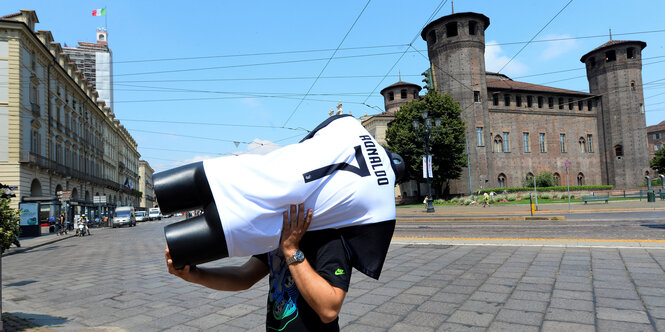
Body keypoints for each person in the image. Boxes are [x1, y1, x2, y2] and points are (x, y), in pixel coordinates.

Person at [166, 204, 351, 331]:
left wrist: (291, 249)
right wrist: (195, 275)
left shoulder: (328, 235)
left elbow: (329, 309)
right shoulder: (281, 233)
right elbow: (245, 275)